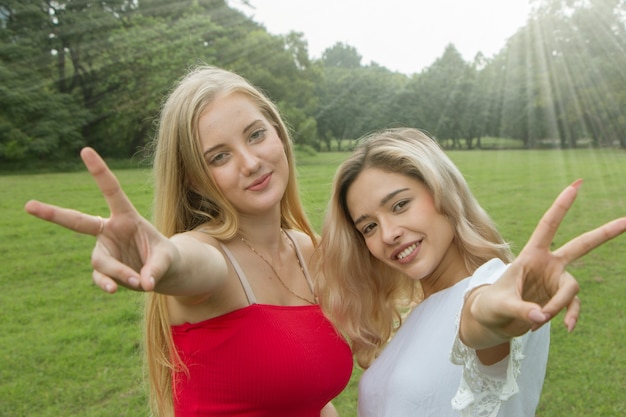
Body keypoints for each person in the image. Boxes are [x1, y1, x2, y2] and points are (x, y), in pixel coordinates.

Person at [24, 66, 353, 417]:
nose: (251, 162)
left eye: (256, 135)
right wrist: (159, 256)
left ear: (280, 135)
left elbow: (311, 400)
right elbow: (186, 264)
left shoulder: (309, 250)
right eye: (219, 156)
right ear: (194, 181)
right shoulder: (210, 259)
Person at [313, 127, 626, 417]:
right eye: (369, 226)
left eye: (399, 205)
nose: (387, 234)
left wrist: (487, 313)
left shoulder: (491, 285)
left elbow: (479, 320)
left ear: (442, 192)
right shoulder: (420, 311)